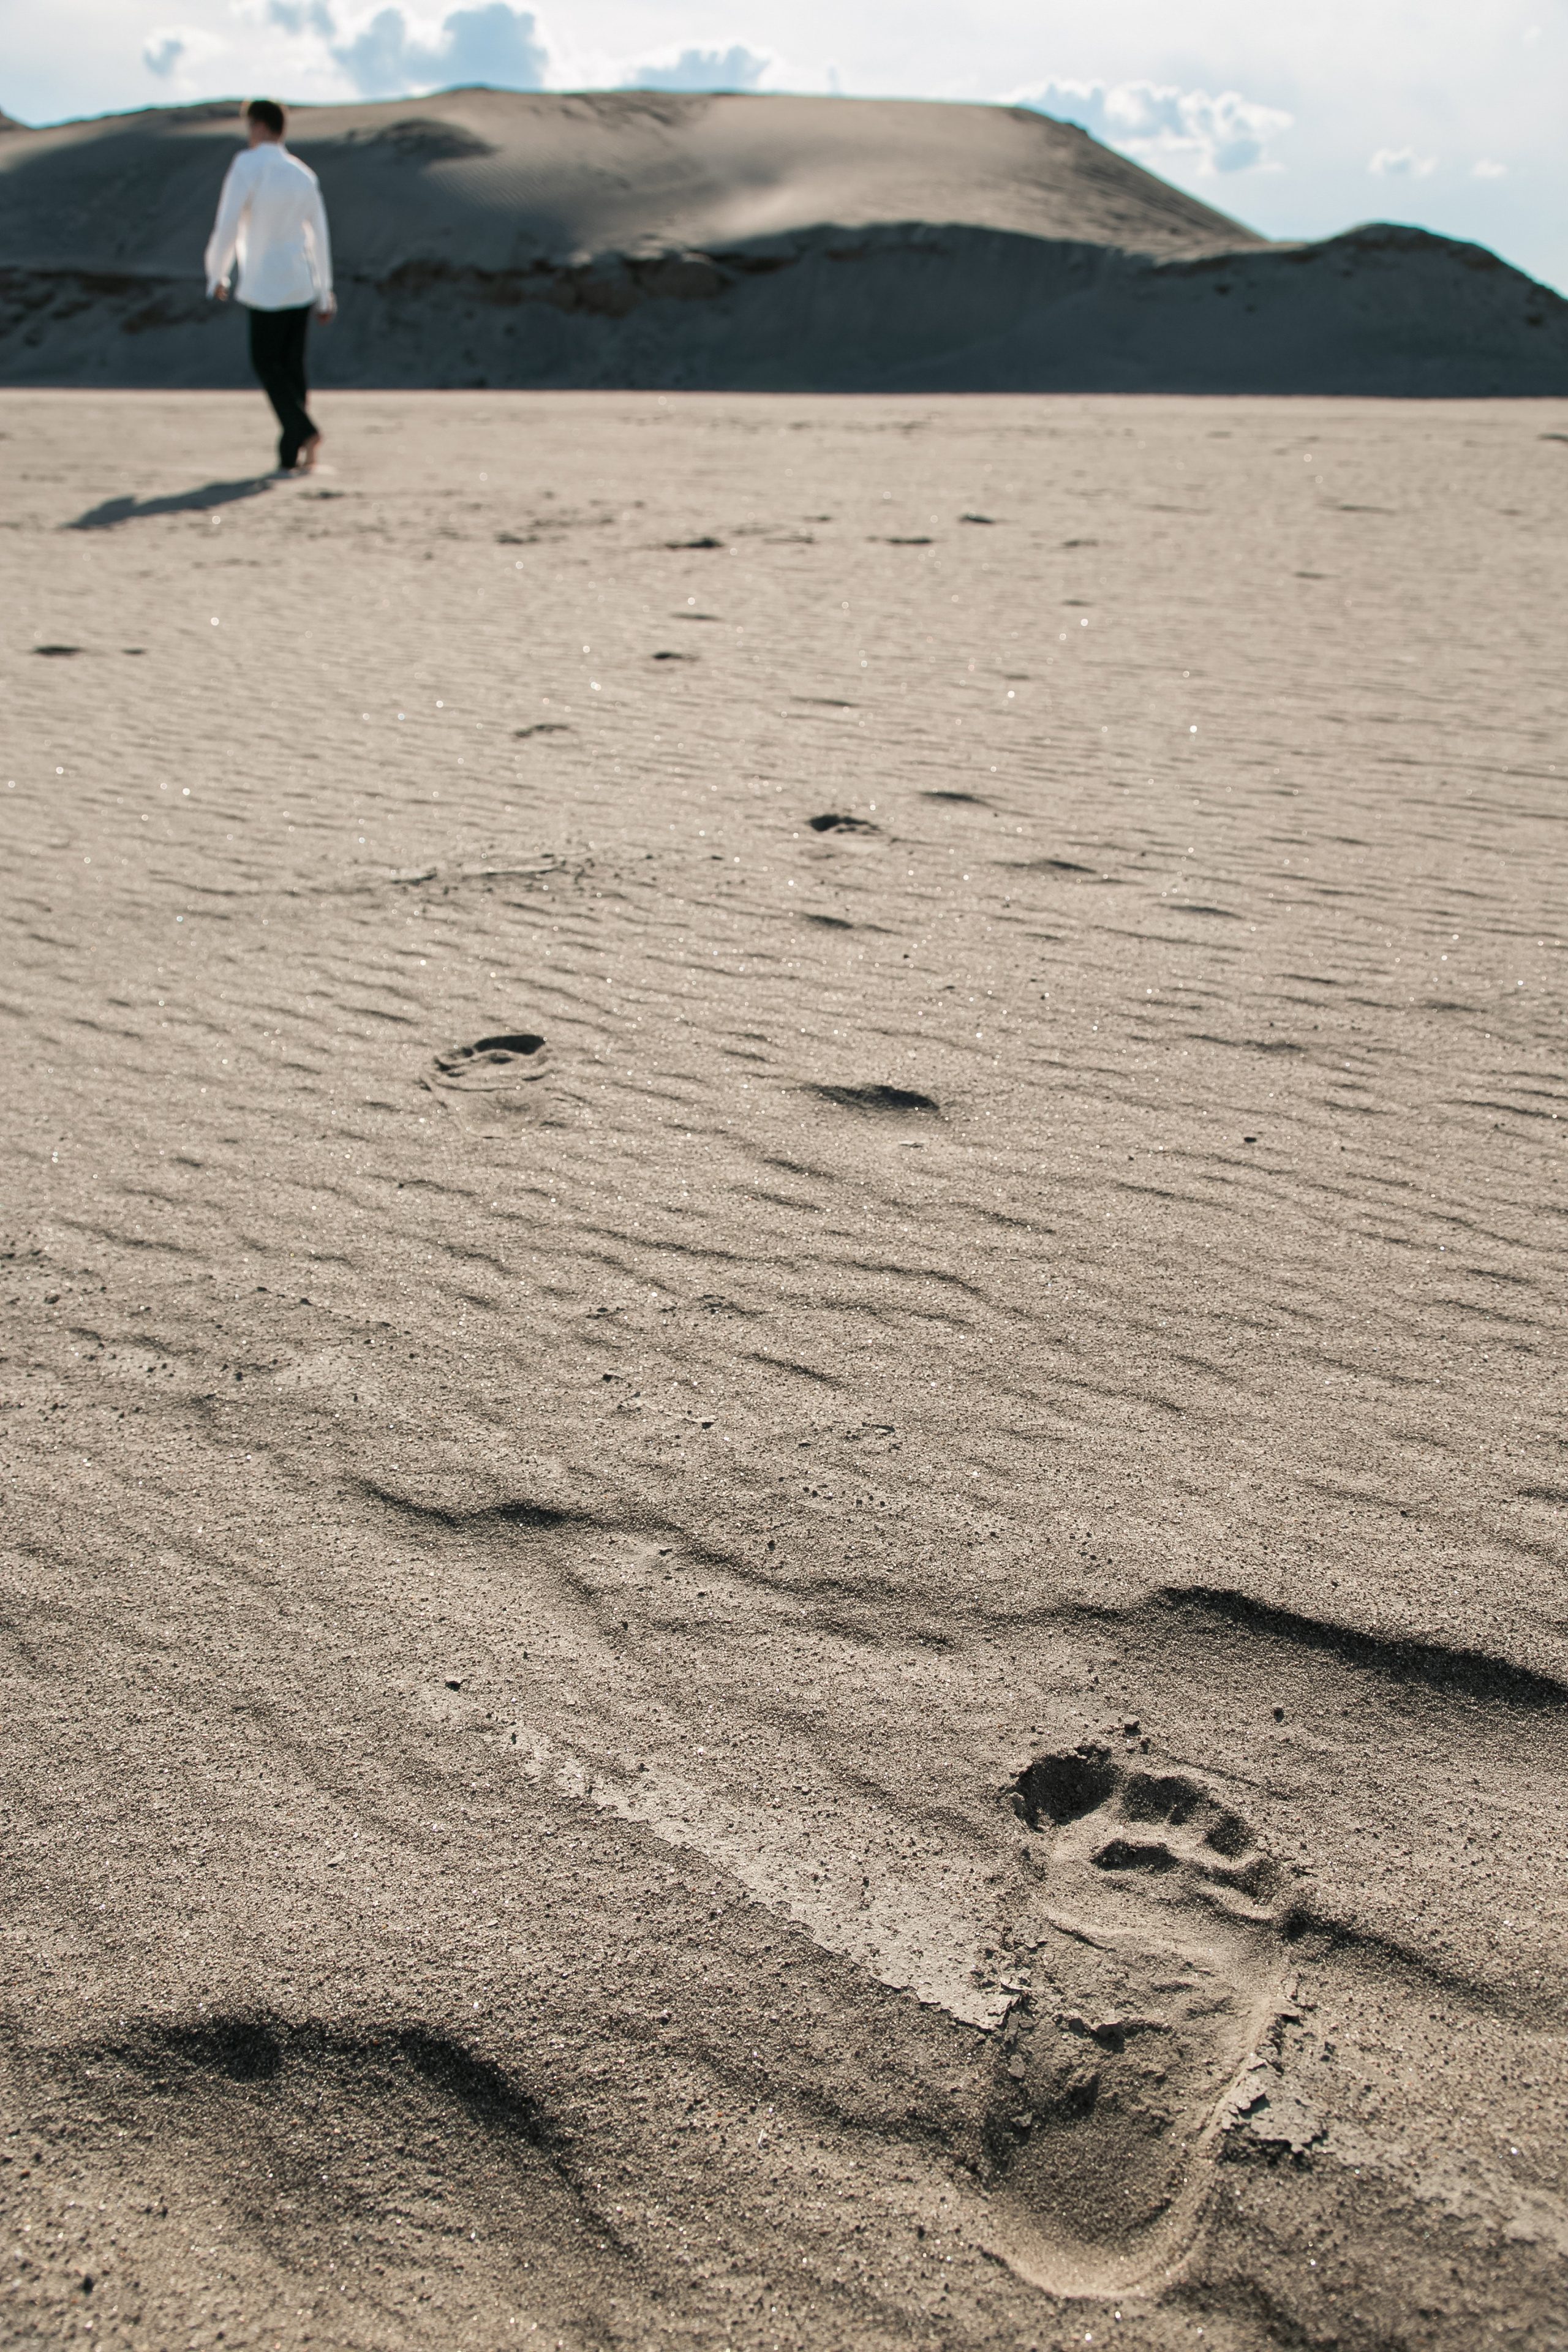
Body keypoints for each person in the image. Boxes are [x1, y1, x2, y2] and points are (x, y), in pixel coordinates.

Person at [205, 99, 336, 475]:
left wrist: (217, 273)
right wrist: (325, 292)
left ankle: (306, 433)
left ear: (260, 127)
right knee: (292, 367)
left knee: (265, 362)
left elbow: (227, 223)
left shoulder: (248, 165)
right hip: (300, 281)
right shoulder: (303, 175)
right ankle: (292, 455)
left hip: (264, 282)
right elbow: (320, 237)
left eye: (250, 128)